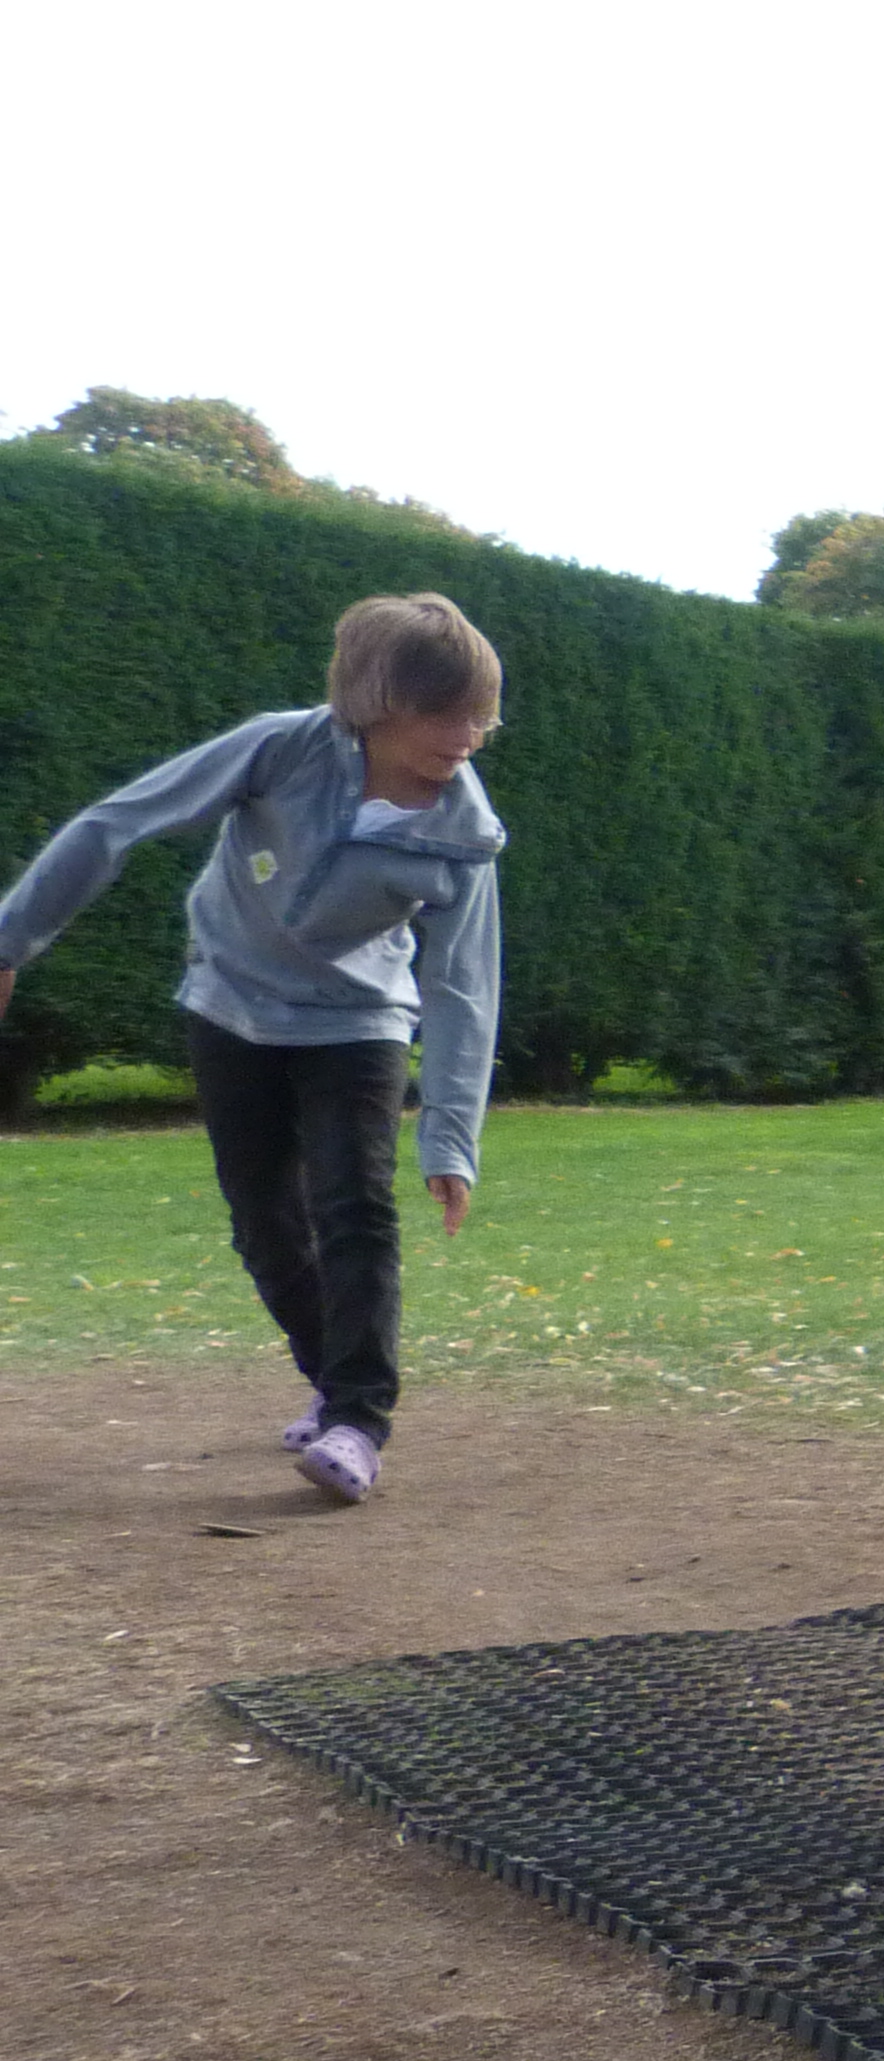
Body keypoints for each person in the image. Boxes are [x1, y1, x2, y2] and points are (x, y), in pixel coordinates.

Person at [0, 594, 509, 1503]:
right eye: (446, 714)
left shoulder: (463, 836)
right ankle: (329, 1378)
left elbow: (464, 988)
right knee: (266, 1227)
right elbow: (118, 822)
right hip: (230, 1004)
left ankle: (358, 1421)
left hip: (358, 1021)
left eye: (481, 716)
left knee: (356, 1207)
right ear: (376, 701)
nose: (467, 737)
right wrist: (11, 940)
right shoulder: (282, 748)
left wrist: (450, 1139)